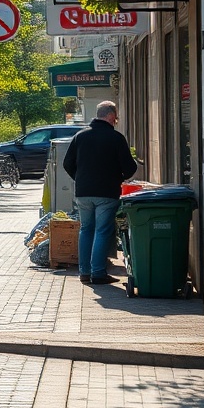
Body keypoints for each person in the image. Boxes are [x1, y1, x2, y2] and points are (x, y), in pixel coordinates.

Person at [62, 100, 137, 285]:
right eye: (116, 118)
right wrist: (117, 177)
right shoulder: (116, 138)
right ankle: (98, 273)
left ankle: (84, 272)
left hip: (83, 192)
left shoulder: (80, 136)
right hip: (106, 193)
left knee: (86, 229)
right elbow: (130, 168)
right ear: (111, 116)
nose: (116, 121)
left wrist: (80, 178)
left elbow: (67, 164)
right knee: (102, 231)